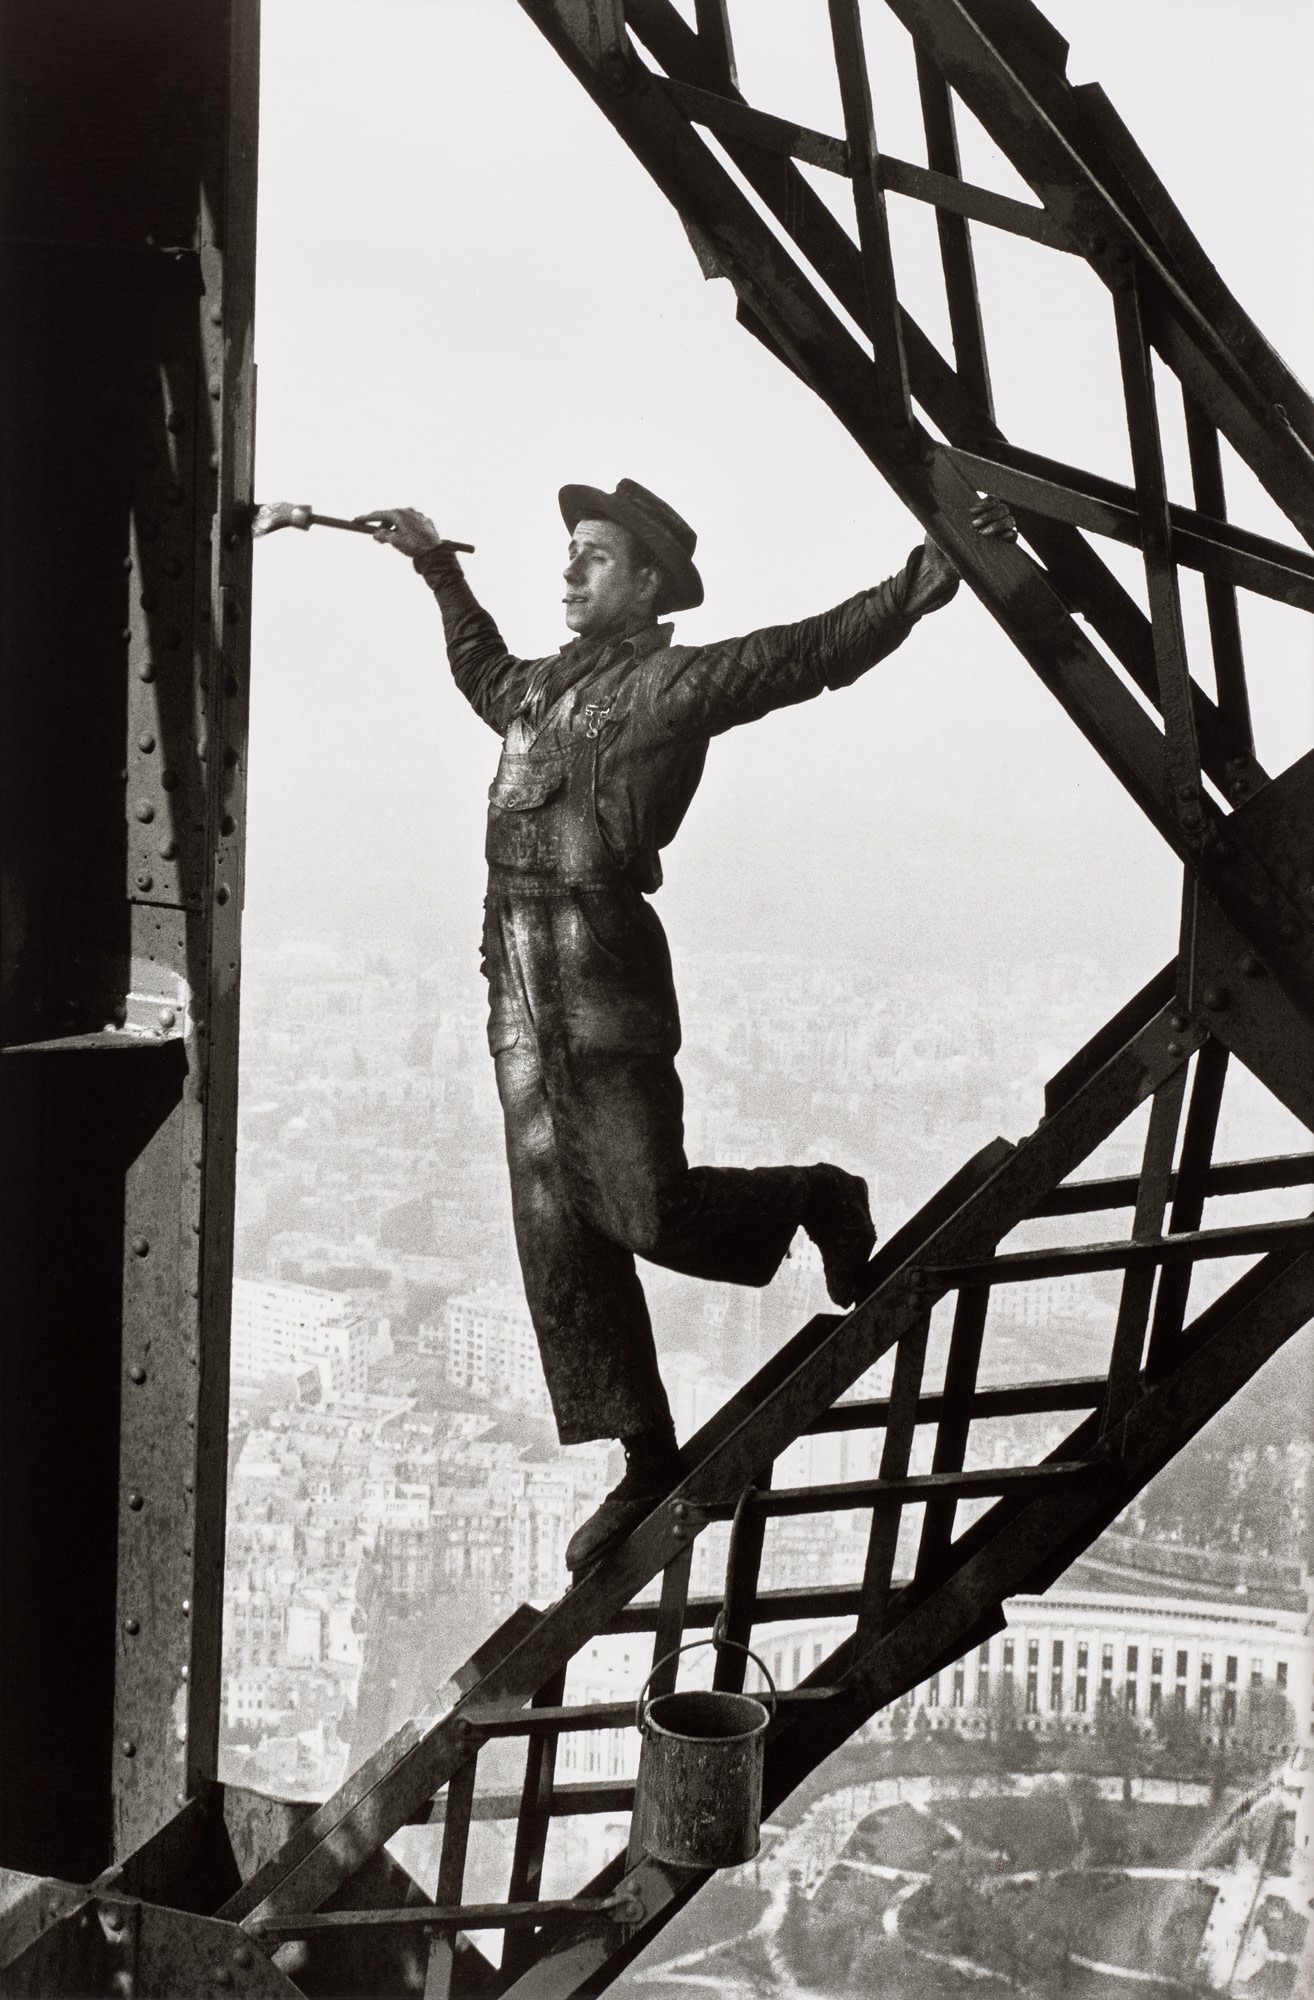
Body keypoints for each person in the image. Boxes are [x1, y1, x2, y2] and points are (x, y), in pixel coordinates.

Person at [361, 480, 1015, 1573]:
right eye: (568, 553)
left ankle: (816, 1195)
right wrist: (434, 563)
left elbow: (802, 655)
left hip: (602, 979)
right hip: (517, 990)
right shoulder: (533, 693)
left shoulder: (671, 685)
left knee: (646, 1208)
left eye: (596, 557)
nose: (570, 571)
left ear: (650, 582)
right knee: (556, 1232)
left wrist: (914, 587)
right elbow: (477, 662)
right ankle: (645, 1453)